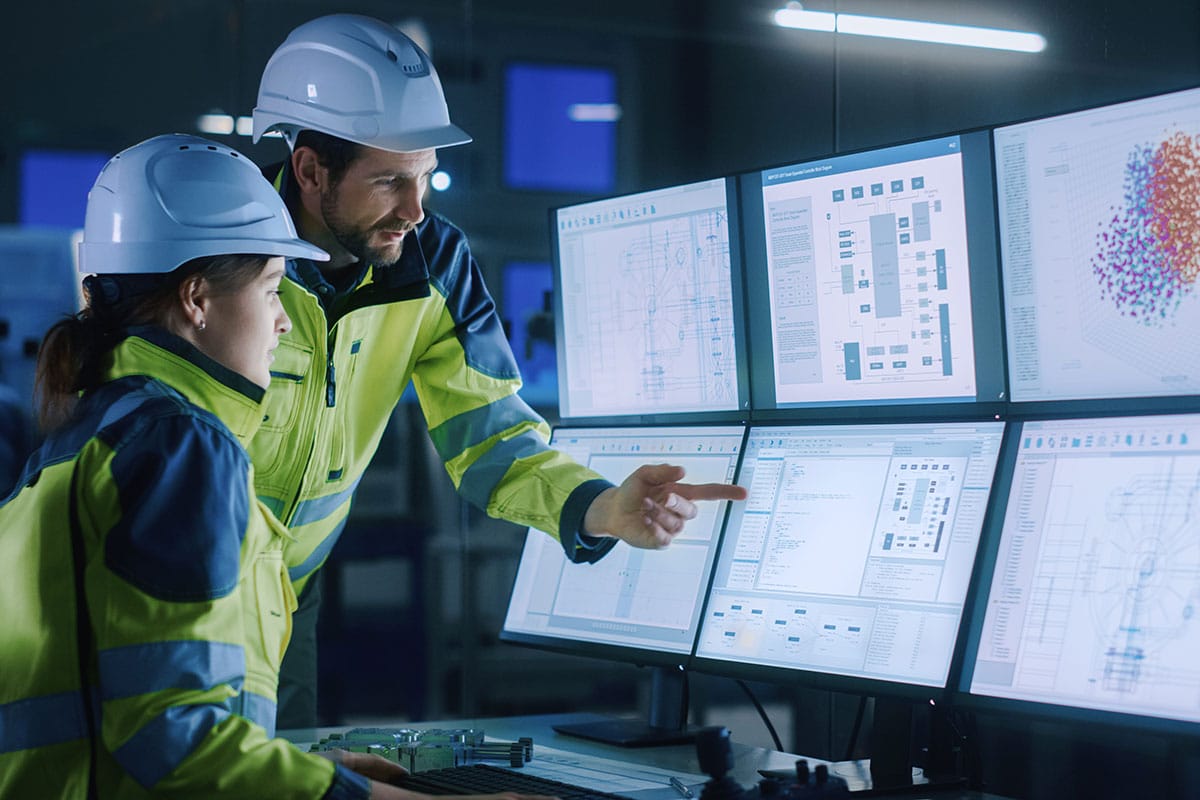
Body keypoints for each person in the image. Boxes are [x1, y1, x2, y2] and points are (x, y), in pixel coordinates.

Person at [0, 133, 548, 800]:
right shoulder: (183, 448)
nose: (285, 324)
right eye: (270, 291)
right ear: (197, 300)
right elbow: (173, 737)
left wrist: (319, 772)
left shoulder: (88, 434)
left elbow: (131, 708)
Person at [250, 12, 748, 728]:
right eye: (390, 181)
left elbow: (492, 437)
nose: (416, 210)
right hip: (177, 589)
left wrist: (597, 509)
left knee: (280, 771)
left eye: (424, 179)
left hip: (287, 595)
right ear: (309, 171)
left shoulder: (435, 265)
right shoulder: (223, 255)